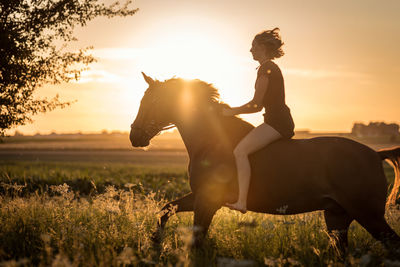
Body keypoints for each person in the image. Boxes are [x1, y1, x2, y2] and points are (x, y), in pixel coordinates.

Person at [222, 28, 295, 213]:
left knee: (240, 151)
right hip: (275, 120)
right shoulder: (268, 67)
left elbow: (256, 105)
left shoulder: (266, 68)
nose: (250, 50)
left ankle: (242, 202)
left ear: (262, 47)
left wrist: (230, 112)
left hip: (276, 123)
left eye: (253, 46)